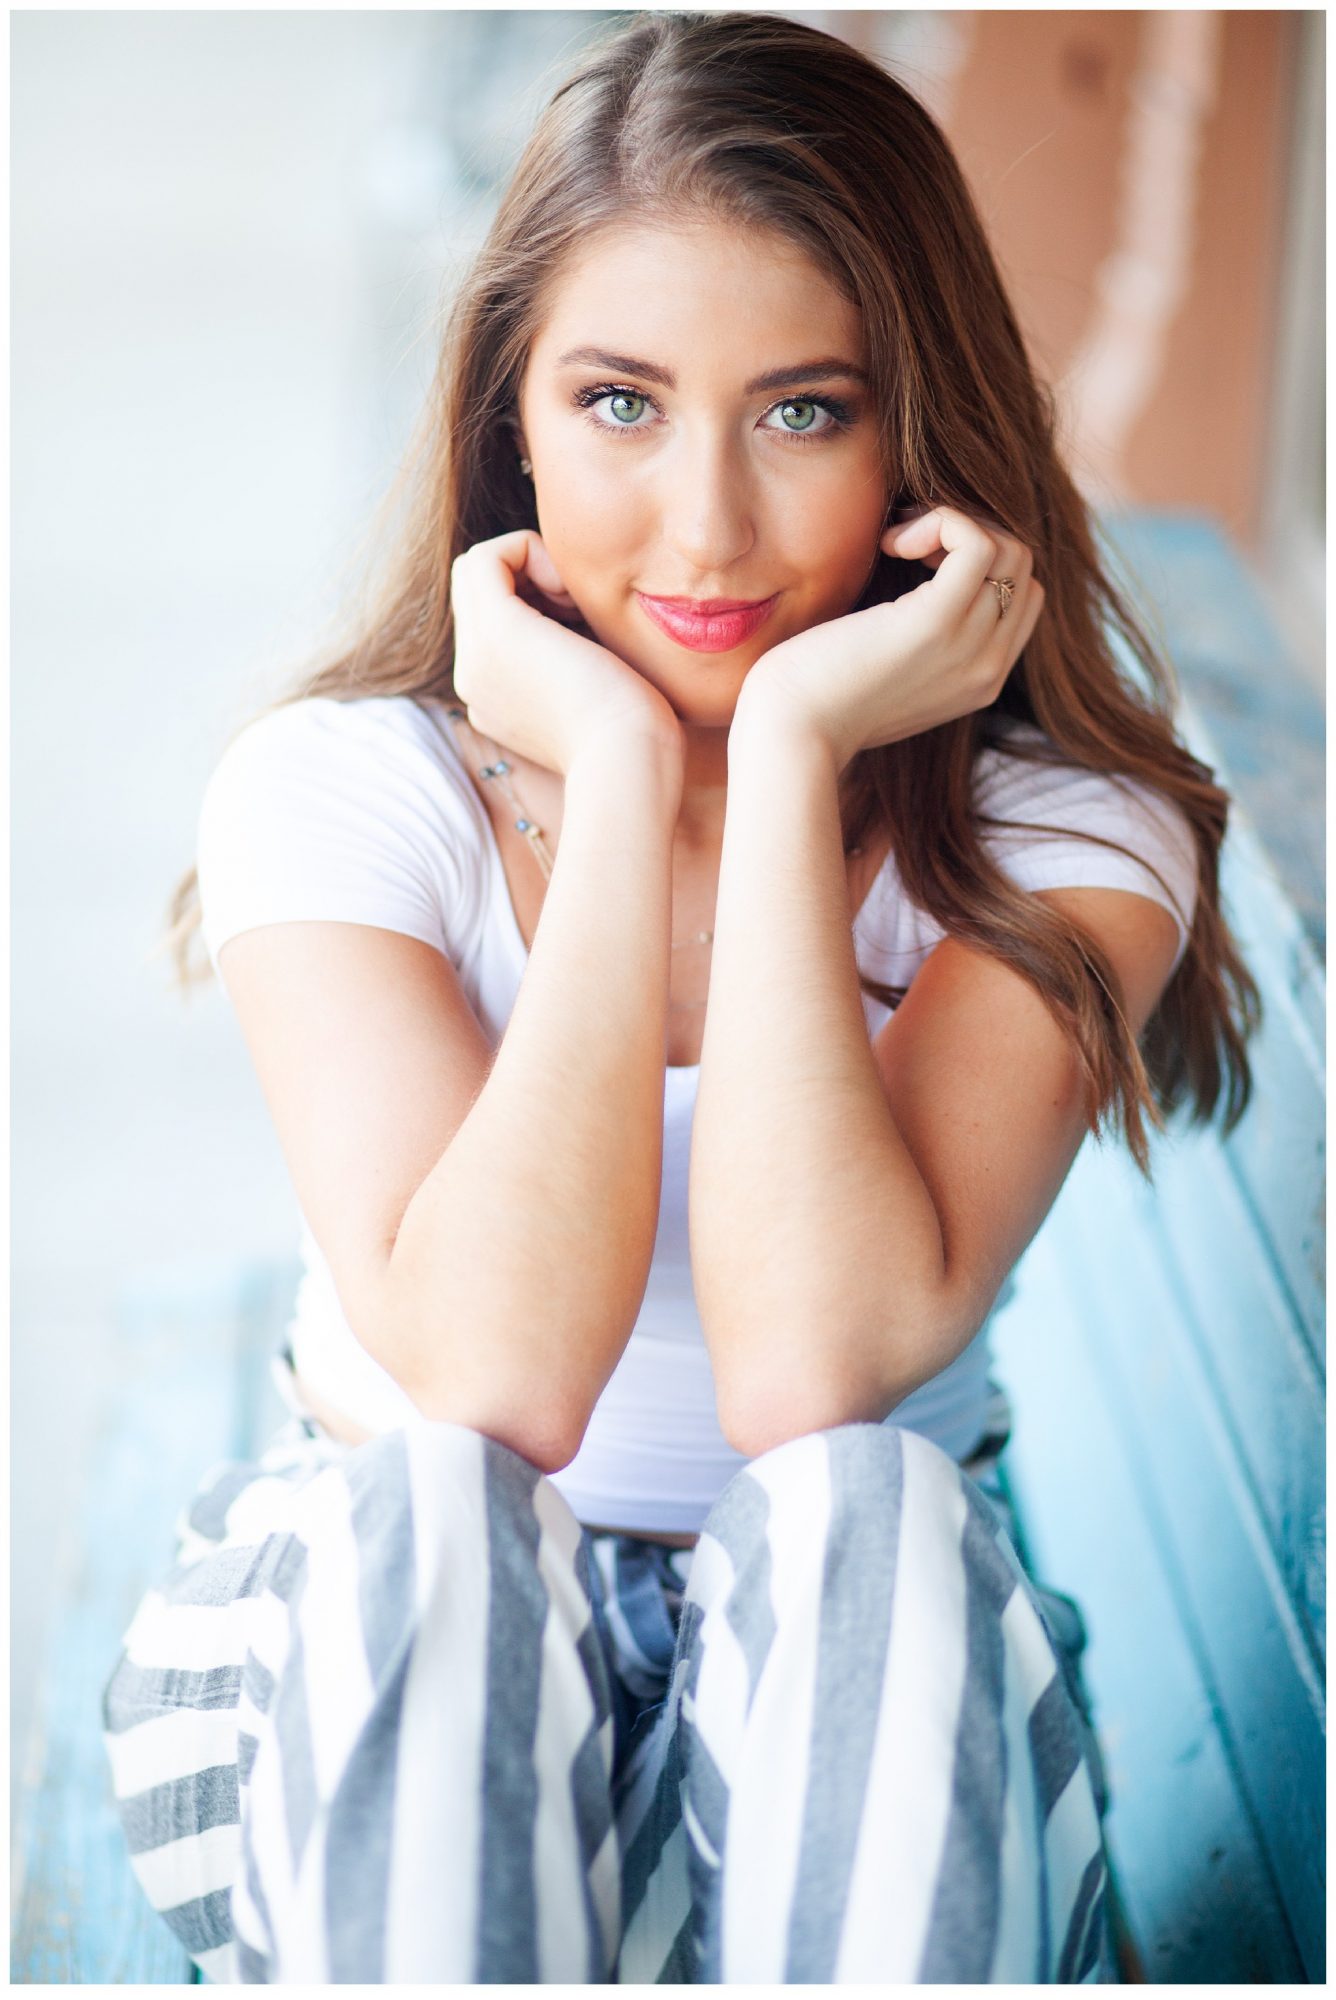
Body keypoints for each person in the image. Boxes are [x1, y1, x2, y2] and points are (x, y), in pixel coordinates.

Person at [102, 10, 1259, 1984]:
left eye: (801, 410)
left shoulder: (1069, 833)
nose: (706, 529)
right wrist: (628, 774)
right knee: (440, 1519)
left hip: (849, 1728)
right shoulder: (348, 789)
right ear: (510, 420)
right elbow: (488, 1379)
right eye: (619, 406)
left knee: (859, 1516)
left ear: (920, 431)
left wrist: (795, 747)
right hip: (376, 1702)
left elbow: (816, 1372)